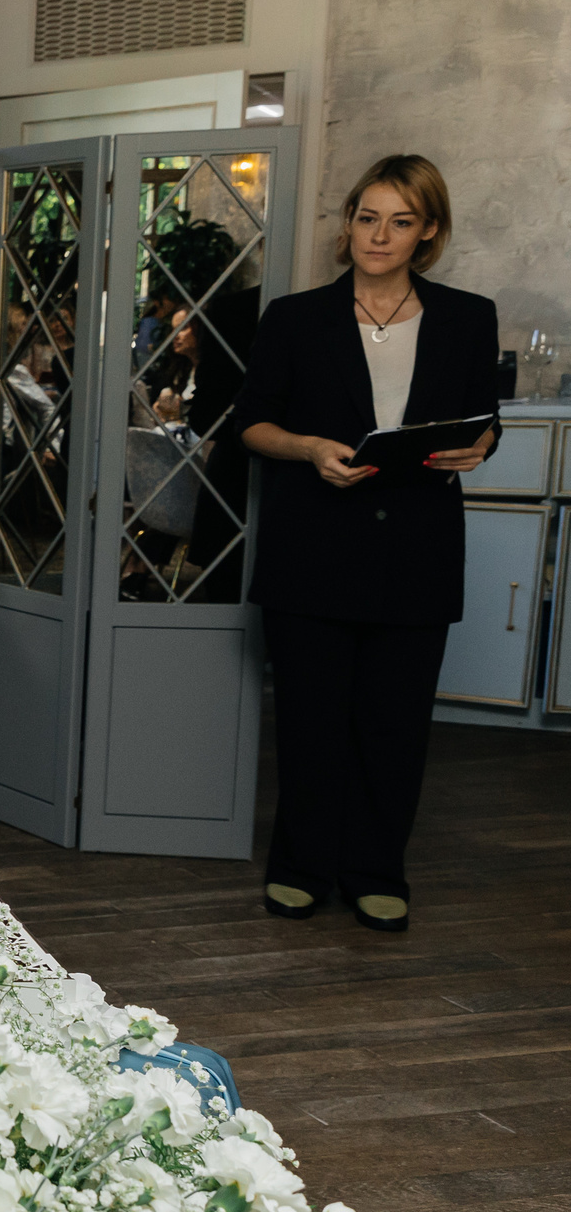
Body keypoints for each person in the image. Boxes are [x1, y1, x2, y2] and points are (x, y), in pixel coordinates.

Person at [236, 154, 497, 931]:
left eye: (401, 220)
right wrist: (311, 448)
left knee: (396, 725)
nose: (378, 235)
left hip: (416, 551)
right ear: (348, 223)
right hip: (313, 547)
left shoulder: (467, 316)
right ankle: (301, 867)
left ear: (430, 233)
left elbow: (484, 418)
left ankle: (379, 869)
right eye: (367, 216)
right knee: (311, 722)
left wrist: (481, 445)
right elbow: (251, 422)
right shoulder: (293, 316)